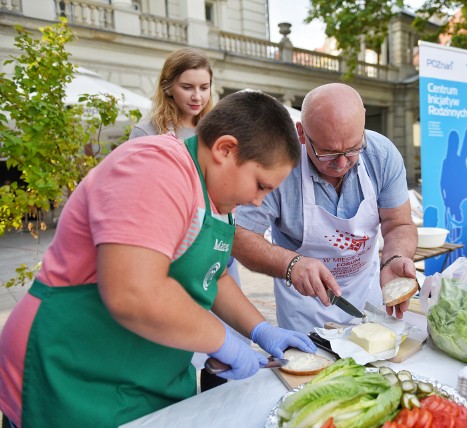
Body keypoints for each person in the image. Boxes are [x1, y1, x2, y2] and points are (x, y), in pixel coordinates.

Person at [0, 89, 316, 428]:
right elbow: (134, 291)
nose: (258, 202)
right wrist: (223, 341)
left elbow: (215, 275)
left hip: (145, 378)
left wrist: (260, 329)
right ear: (225, 149)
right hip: (69, 372)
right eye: (260, 185)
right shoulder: (155, 167)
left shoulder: (218, 198)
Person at [233, 83, 418, 334]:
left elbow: (398, 223)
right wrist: (291, 264)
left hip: (367, 292)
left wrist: (396, 257)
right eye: (327, 152)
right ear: (301, 133)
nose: (342, 163)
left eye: (353, 149)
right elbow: (240, 234)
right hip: (305, 308)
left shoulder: (382, 155)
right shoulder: (278, 164)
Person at [128, 48, 241, 391]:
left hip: (217, 242)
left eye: (204, 87)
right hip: (175, 251)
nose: (197, 96)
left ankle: (216, 401)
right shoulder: (147, 132)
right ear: (168, 87)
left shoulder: (216, 128)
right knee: (177, 336)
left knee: (225, 342)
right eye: (188, 87)